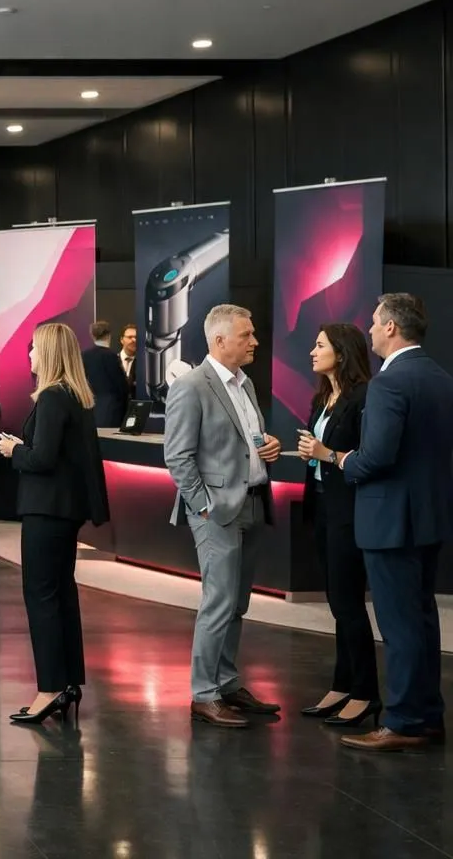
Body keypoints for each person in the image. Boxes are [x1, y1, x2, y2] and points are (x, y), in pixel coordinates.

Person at [337, 294, 453, 752]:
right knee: (422, 620)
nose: (368, 330)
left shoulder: (389, 383)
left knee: (401, 625)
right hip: (429, 518)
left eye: (373, 322)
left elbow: (377, 457)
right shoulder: (441, 378)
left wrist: (344, 460)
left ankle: (403, 721)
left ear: (390, 327)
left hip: (390, 522)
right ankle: (426, 716)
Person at [163, 304, 283, 729]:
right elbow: (177, 456)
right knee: (219, 601)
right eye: (246, 335)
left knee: (237, 602)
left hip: (252, 501)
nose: (255, 342)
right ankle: (204, 694)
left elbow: (244, 440)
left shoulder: (244, 384)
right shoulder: (192, 386)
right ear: (219, 340)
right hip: (217, 511)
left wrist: (267, 445)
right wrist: (203, 505)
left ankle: (227, 682)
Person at [0, 323, 109, 724]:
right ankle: (68, 682)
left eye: (33, 350)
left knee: (41, 596)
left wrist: (14, 450)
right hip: (66, 510)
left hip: (47, 509)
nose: (29, 356)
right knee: (62, 594)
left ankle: (49, 689)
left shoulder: (51, 397)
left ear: (48, 354)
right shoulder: (76, 396)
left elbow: (42, 458)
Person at [295, 323, 377, 727]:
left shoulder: (364, 398)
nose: (312, 351)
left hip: (349, 510)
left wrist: (325, 453)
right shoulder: (323, 397)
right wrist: (312, 454)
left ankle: (365, 691)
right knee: (337, 602)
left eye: (320, 345)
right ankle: (342, 684)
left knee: (348, 603)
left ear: (341, 353)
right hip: (323, 506)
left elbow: (365, 457)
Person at [82, 320, 130, 428]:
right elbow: (121, 384)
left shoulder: (84, 355)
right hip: (112, 411)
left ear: (92, 336)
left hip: (91, 409)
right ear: (109, 335)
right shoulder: (111, 356)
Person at [118, 323, 138, 393]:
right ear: (121, 340)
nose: (134, 340)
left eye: (136, 337)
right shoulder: (112, 361)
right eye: (130, 337)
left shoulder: (143, 364)